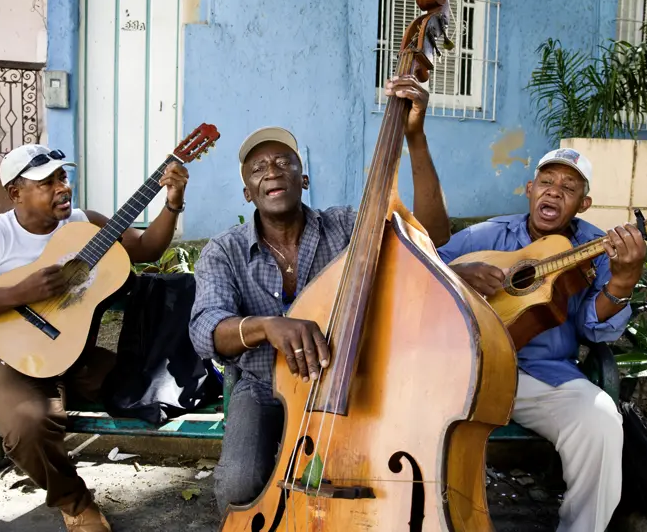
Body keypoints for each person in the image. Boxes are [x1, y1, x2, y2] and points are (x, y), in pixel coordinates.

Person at [189, 75, 451, 514]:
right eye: (258, 168)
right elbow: (205, 331)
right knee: (238, 485)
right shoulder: (224, 249)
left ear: (303, 178)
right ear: (247, 192)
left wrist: (415, 138)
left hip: (348, 378)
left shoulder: (349, 225)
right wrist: (267, 327)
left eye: (283, 162)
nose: (271, 170)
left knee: (375, 486)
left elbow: (434, 235)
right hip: (262, 385)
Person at [0, 144, 189, 532]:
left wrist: (172, 203)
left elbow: (147, 247)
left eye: (62, 177)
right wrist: (20, 293)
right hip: (12, 360)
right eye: (46, 182)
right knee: (27, 427)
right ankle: (76, 504)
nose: (62, 187)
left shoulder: (85, 224)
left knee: (162, 389)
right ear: (16, 192)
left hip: (75, 355)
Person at [437, 148, 647, 532]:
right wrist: (460, 273)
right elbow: (424, 267)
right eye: (547, 182)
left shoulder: (598, 248)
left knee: (600, 419)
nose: (554, 192)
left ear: (583, 204)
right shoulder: (487, 234)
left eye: (568, 187)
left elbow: (595, 329)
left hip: (542, 376)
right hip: (467, 366)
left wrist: (622, 280)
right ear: (530, 189)